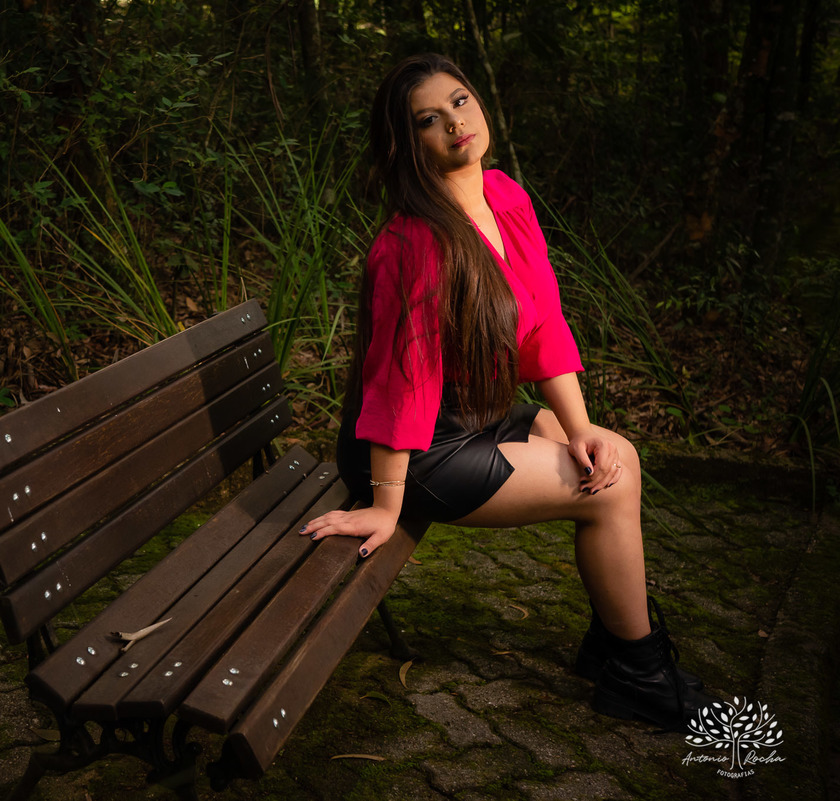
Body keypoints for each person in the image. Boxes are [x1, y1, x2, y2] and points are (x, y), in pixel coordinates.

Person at [300, 53, 715, 732]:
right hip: (414, 451)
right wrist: (385, 504)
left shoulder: (505, 197)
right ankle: (638, 674)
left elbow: (543, 320)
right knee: (611, 486)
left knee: (608, 452)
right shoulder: (413, 243)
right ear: (409, 144)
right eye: (428, 120)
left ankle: (616, 645)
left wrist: (578, 424)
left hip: (475, 417)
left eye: (460, 102)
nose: (455, 124)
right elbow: (402, 382)